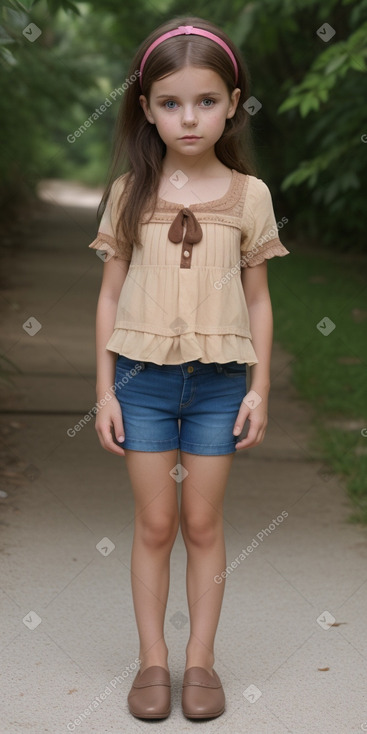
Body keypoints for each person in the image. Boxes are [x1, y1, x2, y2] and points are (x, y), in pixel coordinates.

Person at [88, 15, 290, 721]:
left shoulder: (250, 195)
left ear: (232, 102)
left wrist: (259, 388)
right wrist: (104, 392)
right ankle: (152, 661)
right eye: (170, 103)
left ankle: (199, 660)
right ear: (145, 109)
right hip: (141, 384)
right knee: (154, 524)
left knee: (202, 522)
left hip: (217, 386)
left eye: (205, 100)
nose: (189, 117)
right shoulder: (128, 192)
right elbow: (110, 294)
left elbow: (258, 302)